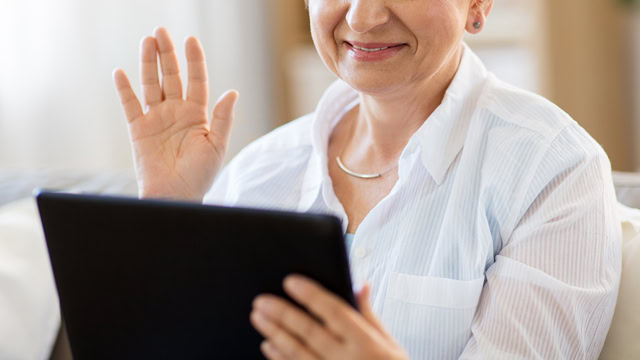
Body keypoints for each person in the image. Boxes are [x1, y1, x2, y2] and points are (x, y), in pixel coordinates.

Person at [112, 0, 621, 358]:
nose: (362, 16)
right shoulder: (259, 173)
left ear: (478, 4)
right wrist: (167, 212)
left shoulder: (553, 170)